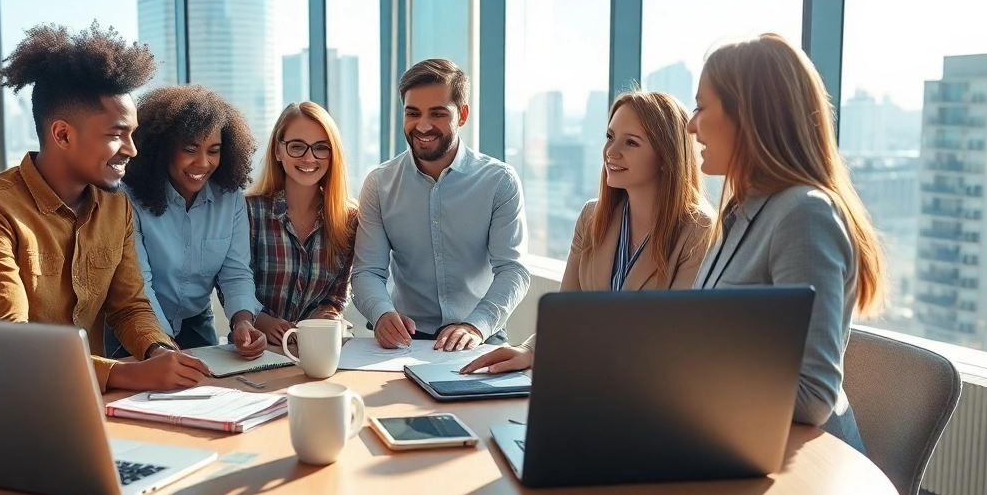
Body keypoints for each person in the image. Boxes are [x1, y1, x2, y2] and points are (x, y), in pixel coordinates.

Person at [0, 22, 210, 391]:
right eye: (116, 134)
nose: (132, 150)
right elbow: (10, 341)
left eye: (132, 134)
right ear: (63, 135)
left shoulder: (116, 206)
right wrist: (126, 374)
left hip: (77, 394)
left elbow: (129, 306)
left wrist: (159, 351)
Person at [687, 33, 885, 453]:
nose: (691, 125)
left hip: (804, 467)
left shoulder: (803, 215)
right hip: (735, 441)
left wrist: (682, 383)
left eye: (701, 108)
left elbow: (813, 395)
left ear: (748, 115)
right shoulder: (741, 212)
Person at [463, 90, 714, 374]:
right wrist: (530, 350)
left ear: (666, 156)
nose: (611, 152)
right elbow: (568, 314)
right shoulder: (592, 217)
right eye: (610, 137)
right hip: (587, 377)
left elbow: (673, 340)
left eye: (631, 142)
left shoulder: (698, 230)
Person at [352, 58, 530, 351]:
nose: (423, 126)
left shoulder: (500, 181)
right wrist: (381, 313)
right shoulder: (379, 184)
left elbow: (513, 269)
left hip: (479, 333)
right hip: (405, 337)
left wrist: (476, 325)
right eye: (413, 113)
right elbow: (367, 271)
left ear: (462, 115)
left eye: (437, 113)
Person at [109, 84, 266, 357]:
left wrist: (243, 322)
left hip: (195, 322)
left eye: (214, 150)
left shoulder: (230, 199)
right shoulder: (128, 199)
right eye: (190, 149)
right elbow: (139, 285)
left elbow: (235, 273)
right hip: (135, 326)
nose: (203, 163)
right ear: (162, 149)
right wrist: (162, 347)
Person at [246, 102, 360, 345]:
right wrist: (262, 320)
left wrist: (326, 318)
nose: (309, 158)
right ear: (278, 151)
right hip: (257, 348)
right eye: (297, 146)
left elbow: (337, 297)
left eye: (321, 148)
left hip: (318, 347)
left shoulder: (349, 220)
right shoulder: (250, 211)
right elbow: (233, 282)